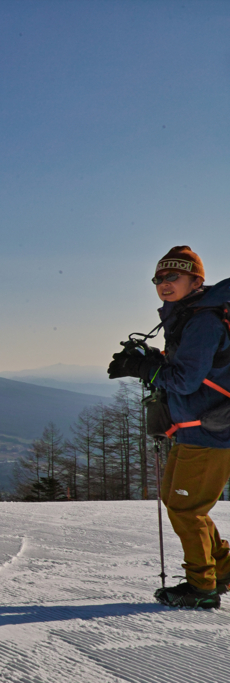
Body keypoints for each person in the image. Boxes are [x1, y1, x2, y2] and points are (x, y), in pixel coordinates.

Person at [108, 245, 230, 609]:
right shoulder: (189, 316)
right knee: (181, 504)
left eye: (172, 276)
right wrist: (150, 359)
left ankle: (201, 588)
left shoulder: (203, 321)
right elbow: (192, 369)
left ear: (196, 279)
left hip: (210, 433)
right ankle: (222, 568)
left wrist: (144, 369)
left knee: (187, 509)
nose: (163, 283)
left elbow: (187, 380)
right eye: (158, 278)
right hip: (195, 429)